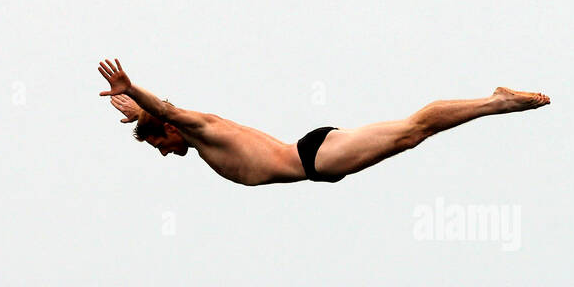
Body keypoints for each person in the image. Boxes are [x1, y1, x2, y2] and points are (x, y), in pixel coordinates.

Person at [97, 58, 550, 186]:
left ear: (169, 131)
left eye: (160, 145)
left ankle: (496, 103)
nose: (164, 153)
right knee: (412, 132)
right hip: (314, 153)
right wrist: (141, 113)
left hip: (315, 158)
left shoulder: (197, 128)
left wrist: (136, 93)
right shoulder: (196, 136)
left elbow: (173, 112)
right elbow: (168, 115)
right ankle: (494, 103)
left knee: (414, 130)